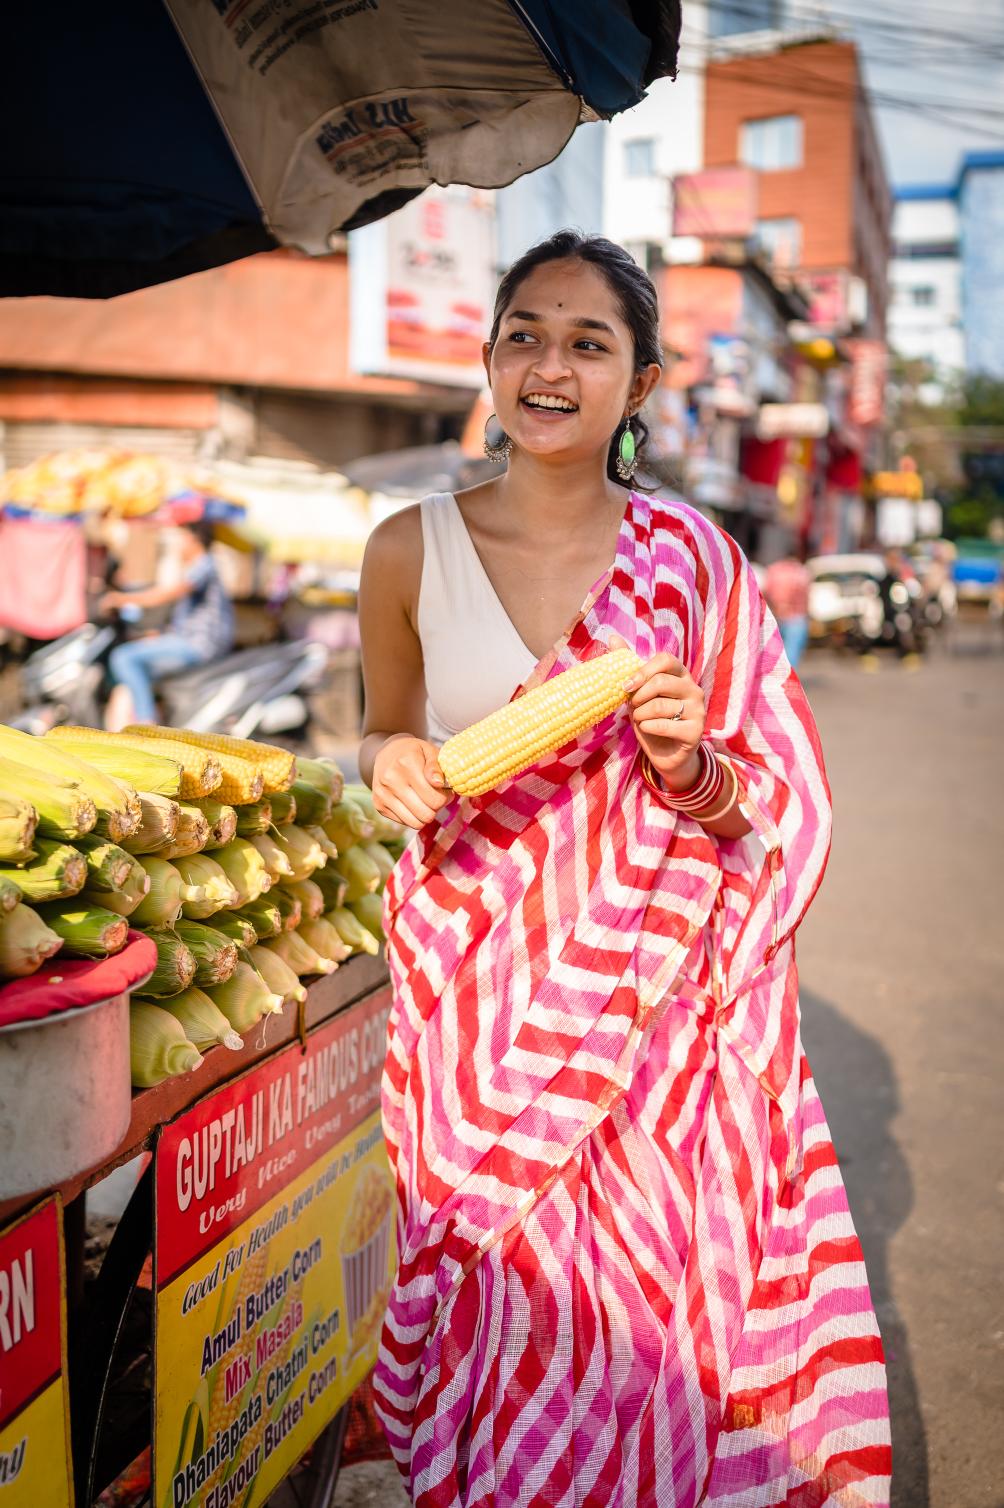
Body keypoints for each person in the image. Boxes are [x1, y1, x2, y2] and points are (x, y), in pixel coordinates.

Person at [358, 232, 890, 1507]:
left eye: (587, 342)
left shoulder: (698, 563)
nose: (549, 365)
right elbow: (380, 722)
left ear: (639, 385)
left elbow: (760, 802)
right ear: (487, 359)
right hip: (469, 990)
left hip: (647, 1008)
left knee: (631, 1299)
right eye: (524, 334)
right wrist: (388, 761)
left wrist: (684, 761)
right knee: (493, 1283)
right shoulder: (403, 546)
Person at [100, 520, 235, 727]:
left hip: (198, 646)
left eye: (181, 539)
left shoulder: (204, 565)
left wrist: (121, 599)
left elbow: (167, 594)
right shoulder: (199, 567)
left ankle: (146, 722)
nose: (179, 546)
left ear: (193, 539)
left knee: (123, 657)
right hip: (188, 640)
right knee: (132, 675)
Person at [763, 543, 811, 671]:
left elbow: (765, 593)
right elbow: (805, 596)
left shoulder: (773, 570)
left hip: (775, 616)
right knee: (791, 655)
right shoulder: (801, 572)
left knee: (772, 654)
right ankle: (787, 680)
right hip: (796, 617)